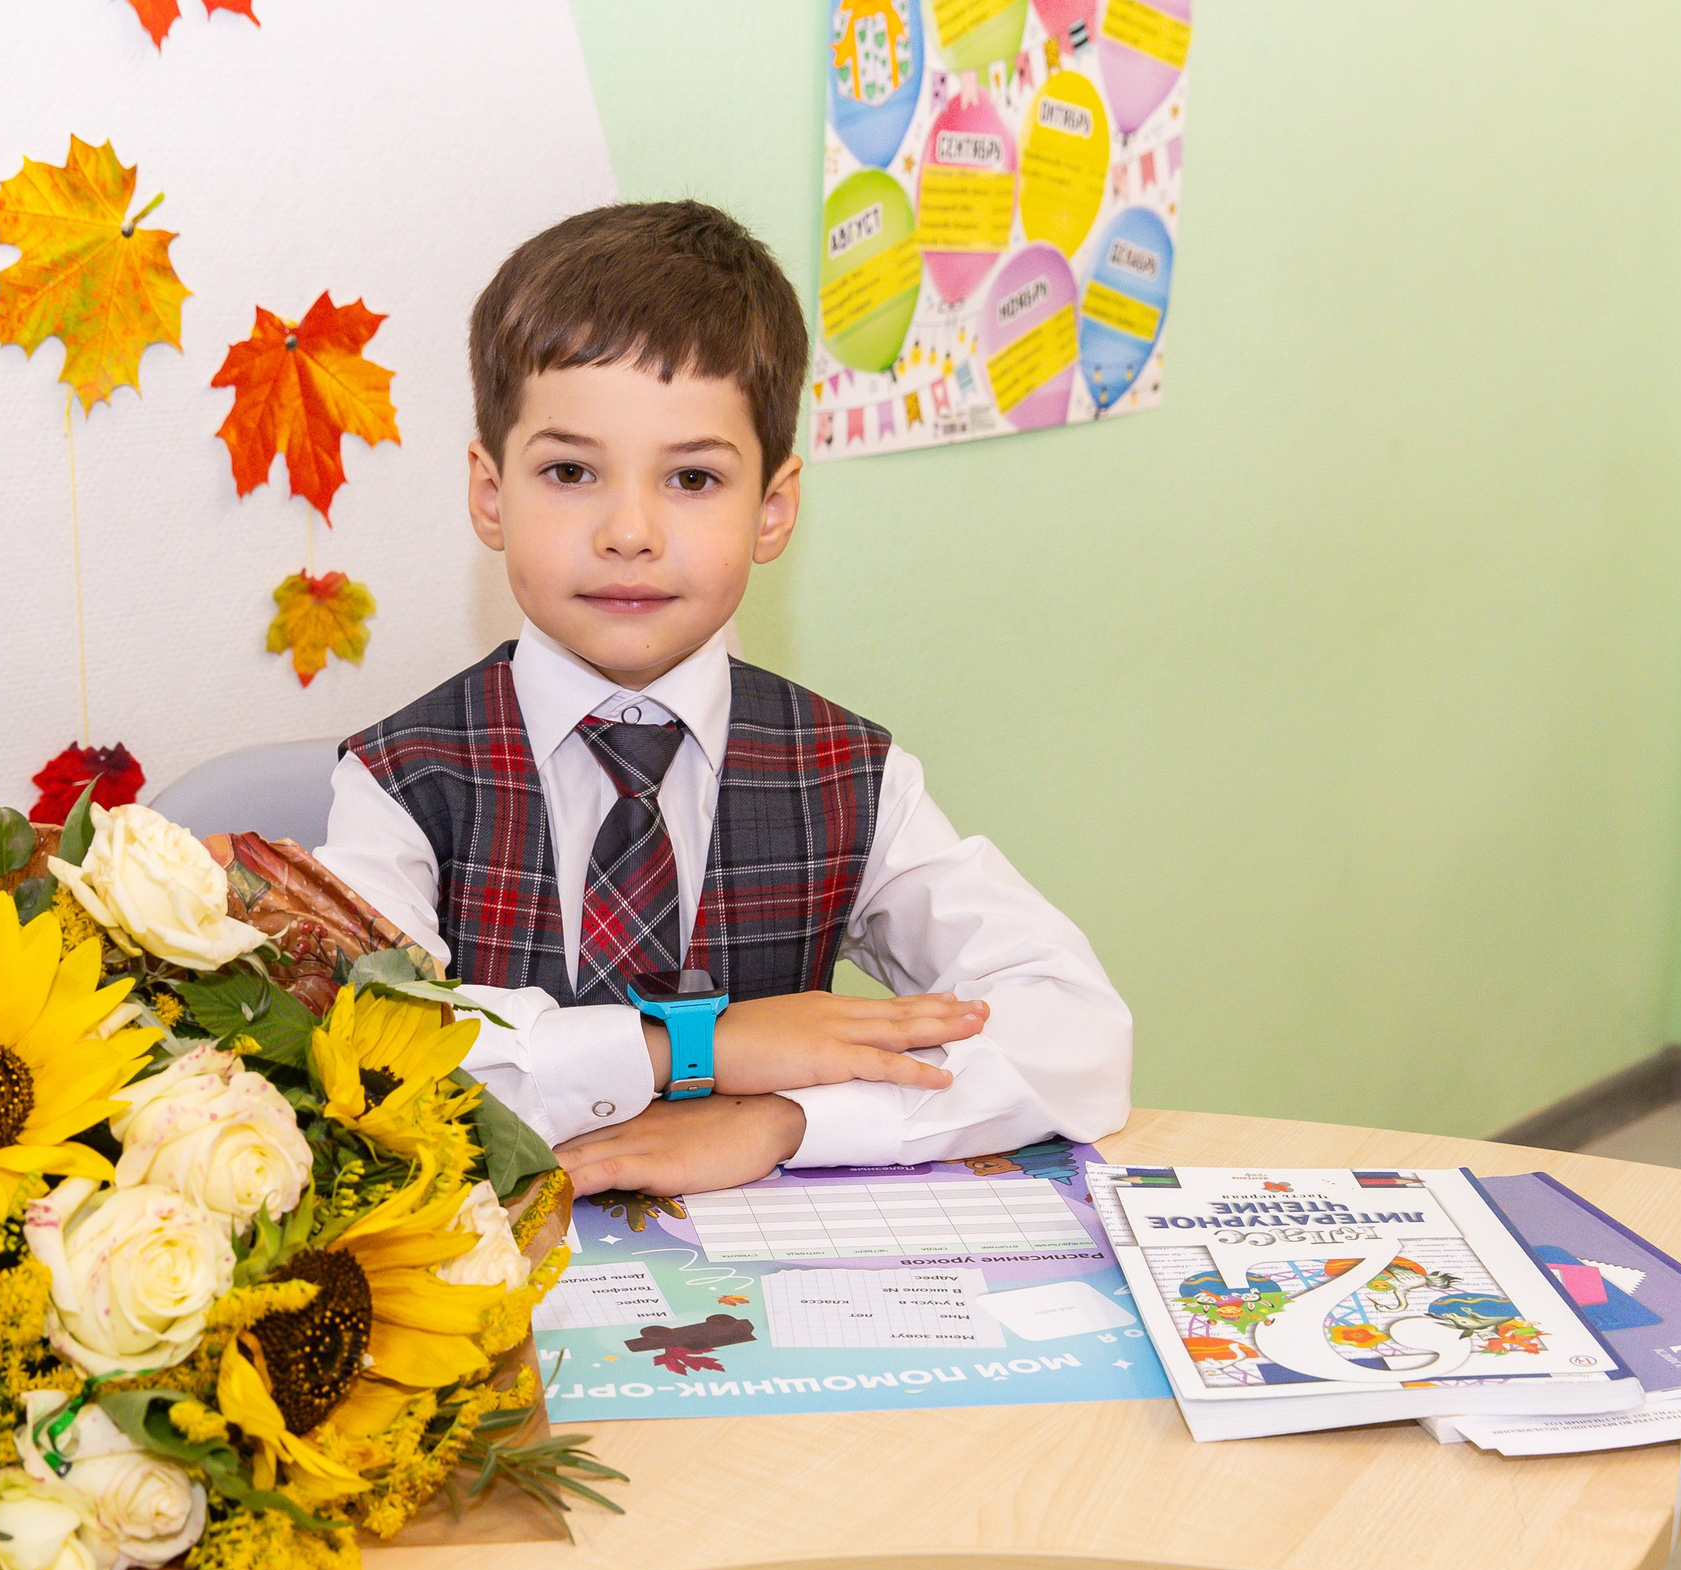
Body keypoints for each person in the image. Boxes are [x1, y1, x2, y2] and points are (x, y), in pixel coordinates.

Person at [314, 201, 1129, 1198]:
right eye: (569, 471)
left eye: (692, 477)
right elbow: (364, 1063)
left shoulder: (851, 775)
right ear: (490, 493)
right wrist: (695, 1049)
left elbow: (1076, 1032)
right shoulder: (400, 780)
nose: (628, 530)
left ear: (773, 508)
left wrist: (785, 1117)